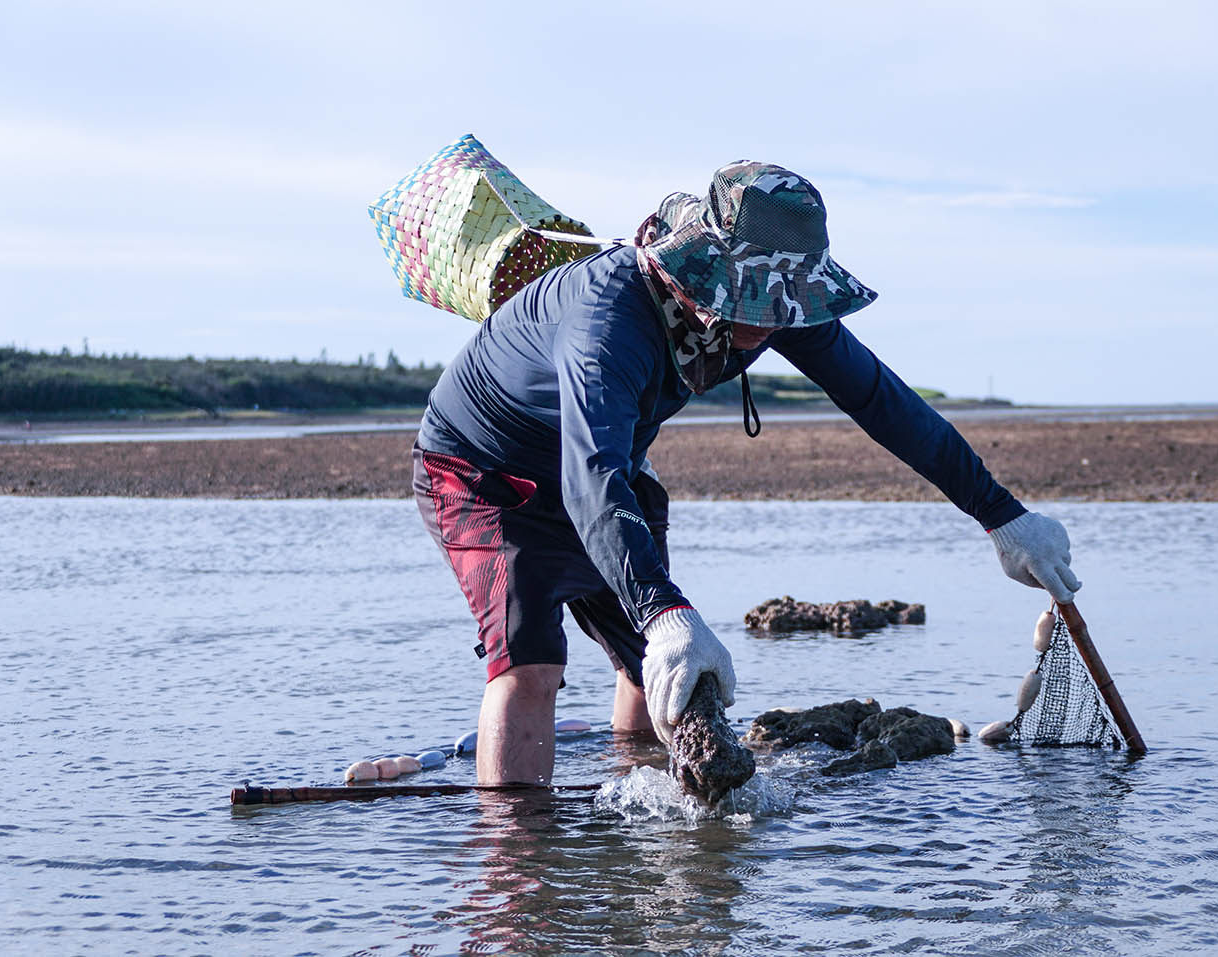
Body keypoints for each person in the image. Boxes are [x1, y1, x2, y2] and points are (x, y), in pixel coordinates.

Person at [412, 161, 1080, 786]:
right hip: (486, 472)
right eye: (757, 298)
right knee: (532, 665)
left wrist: (1001, 513)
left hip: (606, 470)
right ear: (705, 268)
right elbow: (590, 475)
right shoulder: (608, 318)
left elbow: (881, 400)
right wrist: (667, 611)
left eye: (783, 300)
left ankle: (636, 810)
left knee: (657, 672)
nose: (770, 318)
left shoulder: (773, 304)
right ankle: (520, 873)